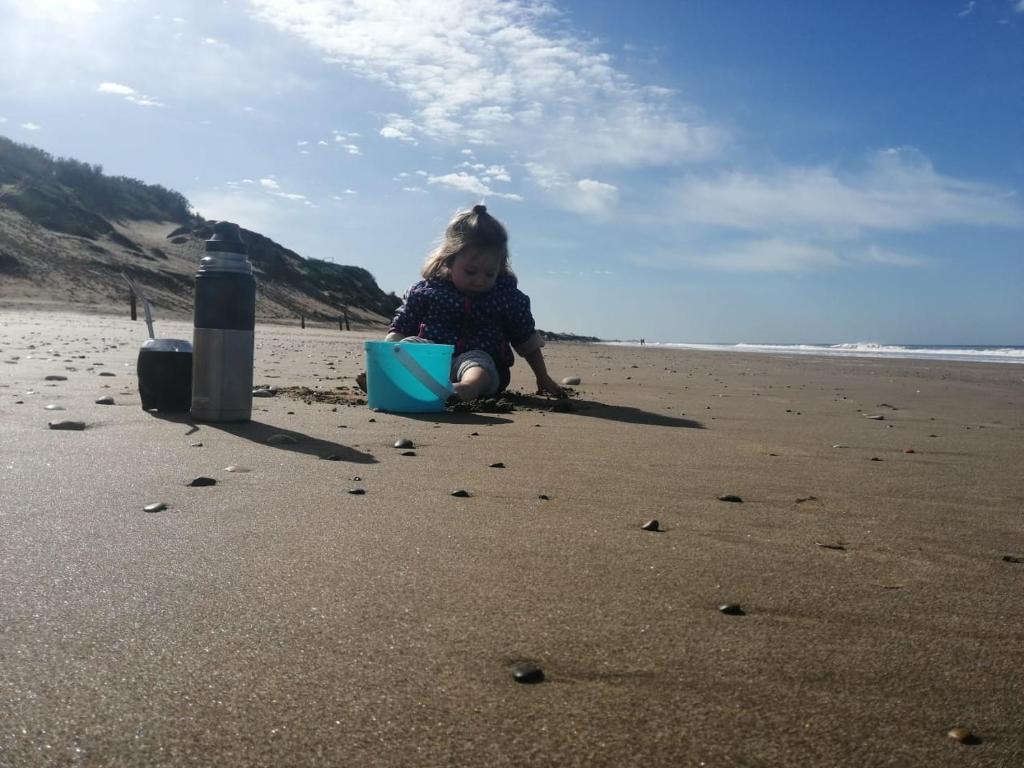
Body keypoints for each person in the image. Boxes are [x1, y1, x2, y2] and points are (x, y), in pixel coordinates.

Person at [383, 204, 564, 401]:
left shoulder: (506, 298)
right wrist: (386, 359)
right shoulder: (427, 291)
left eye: (489, 274)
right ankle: (390, 380)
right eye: (470, 272)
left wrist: (542, 376)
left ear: (500, 268)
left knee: (478, 362)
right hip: (433, 360)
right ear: (449, 261)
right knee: (410, 345)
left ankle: (464, 390)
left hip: (483, 367)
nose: (480, 280)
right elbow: (401, 326)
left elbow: (525, 338)